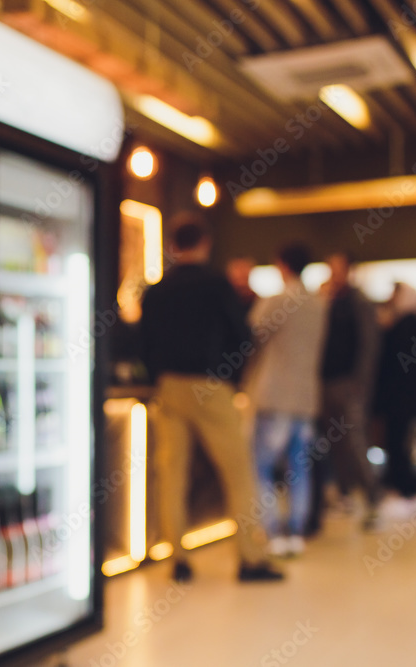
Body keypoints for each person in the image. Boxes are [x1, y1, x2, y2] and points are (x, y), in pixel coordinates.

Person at [140, 213, 282, 583]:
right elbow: (243, 336)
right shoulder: (217, 285)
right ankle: (250, 558)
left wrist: (159, 377)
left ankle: (178, 559)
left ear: (172, 246)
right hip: (212, 386)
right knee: (238, 473)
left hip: (169, 387)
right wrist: (232, 376)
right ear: (205, 243)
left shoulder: (157, 290)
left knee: (172, 475)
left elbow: (143, 343)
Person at [243, 244, 327, 557]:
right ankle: (295, 531)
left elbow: (251, 337)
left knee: (261, 466)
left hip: (273, 394)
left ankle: (272, 531)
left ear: (282, 265)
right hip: (305, 398)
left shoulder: (276, 301)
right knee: (299, 468)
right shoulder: (319, 304)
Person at [310, 252, 383, 533]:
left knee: (354, 442)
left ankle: (373, 498)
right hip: (324, 384)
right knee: (332, 443)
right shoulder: (326, 301)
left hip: (348, 384)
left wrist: (360, 383)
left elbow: (369, 345)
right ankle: (344, 494)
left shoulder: (358, 303)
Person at [374, 283, 416, 504]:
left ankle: (405, 491)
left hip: (398, 401)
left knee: (397, 445)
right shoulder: (414, 325)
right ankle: (403, 490)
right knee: (400, 445)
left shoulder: (403, 328)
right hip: (405, 401)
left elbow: (392, 366)